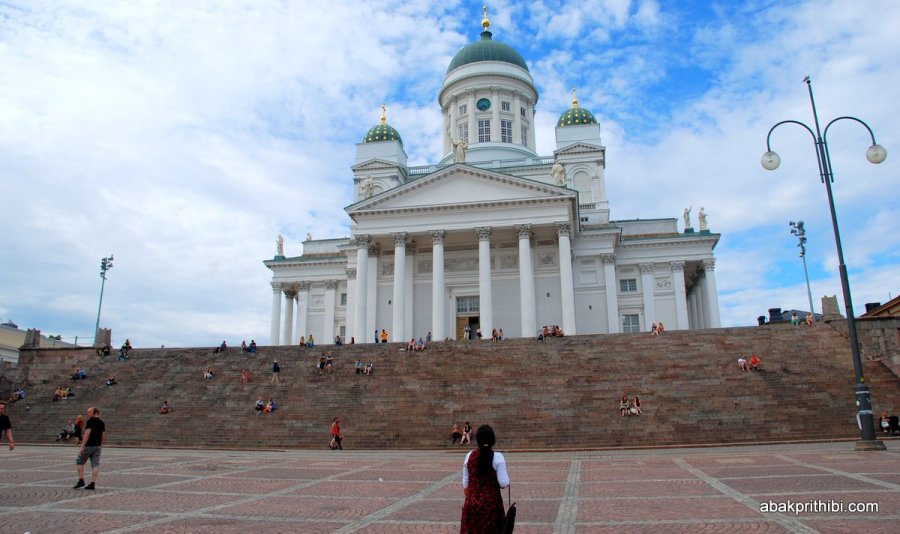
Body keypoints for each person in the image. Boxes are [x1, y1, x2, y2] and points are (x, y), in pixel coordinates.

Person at [460, 424, 509, 533]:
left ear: (477, 440)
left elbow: (465, 484)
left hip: (472, 504)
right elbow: (504, 483)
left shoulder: (469, 456)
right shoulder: (498, 457)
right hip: (491, 505)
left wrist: (472, 497)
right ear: (493, 440)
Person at [73, 406, 104, 490]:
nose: (88, 413)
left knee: (79, 461)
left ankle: (81, 480)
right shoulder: (101, 422)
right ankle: (92, 483)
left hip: (89, 445)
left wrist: (82, 446)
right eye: (87, 412)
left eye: (89, 412)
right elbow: (102, 435)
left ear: (94, 412)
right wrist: (100, 445)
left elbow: (87, 434)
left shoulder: (90, 421)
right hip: (97, 446)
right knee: (95, 465)